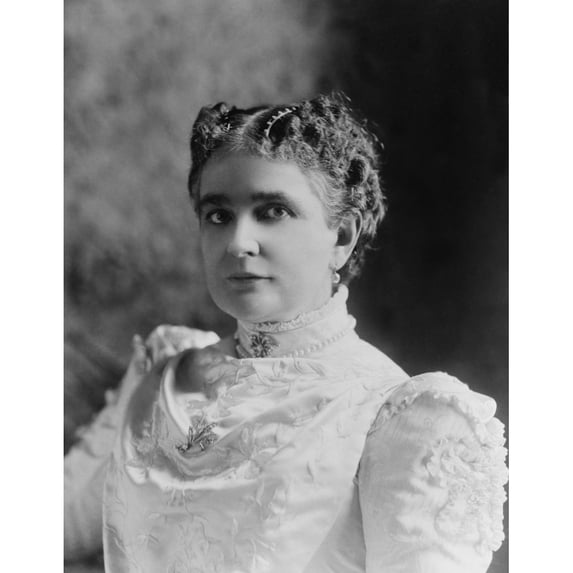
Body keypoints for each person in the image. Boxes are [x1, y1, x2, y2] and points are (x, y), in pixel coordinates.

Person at [64, 93, 508, 572]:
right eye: (218, 215)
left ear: (342, 236)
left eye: (272, 211)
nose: (238, 242)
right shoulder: (164, 373)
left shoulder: (403, 421)